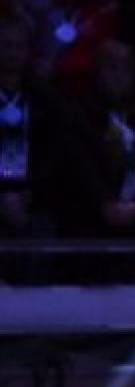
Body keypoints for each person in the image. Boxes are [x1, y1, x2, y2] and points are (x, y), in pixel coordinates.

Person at [0, 15, 89, 243]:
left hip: (34, 200)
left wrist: (30, 194)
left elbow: (57, 150)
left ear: (28, 51)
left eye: (18, 46)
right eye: (6, 45)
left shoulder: (45, 96)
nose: (12, 52)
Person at [74, 40, 135, 236]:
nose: (119, 75)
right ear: (97, 70)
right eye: (111, 66)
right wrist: (104, 203)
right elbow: (79, 165)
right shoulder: (79, 113)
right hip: (89, 224)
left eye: (126, 67)